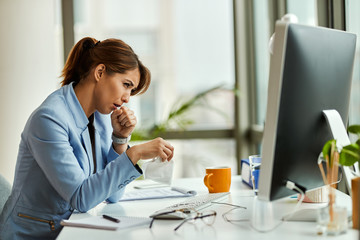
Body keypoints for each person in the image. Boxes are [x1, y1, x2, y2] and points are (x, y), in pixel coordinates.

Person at [0, 37, 174, 239]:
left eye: (131, 90)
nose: (127, 98)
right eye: (126, 85)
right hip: (33, 235)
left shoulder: (99, 117)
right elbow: (80, 197)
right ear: (100, 72)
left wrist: (120, 139)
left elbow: (113, 195)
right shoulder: (49, 119)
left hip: (70, 229)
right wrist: (134, 153)